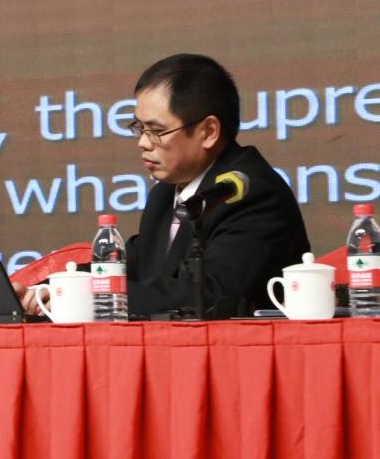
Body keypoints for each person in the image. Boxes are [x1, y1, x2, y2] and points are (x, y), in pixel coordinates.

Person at [20, 53, 310, 319]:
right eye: (140, 128)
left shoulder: (249, 192)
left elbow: (209, 295)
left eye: (156, 131)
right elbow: (129, 267)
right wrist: (49, 289)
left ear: (208, 131)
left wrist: (89, 295)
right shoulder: (166, 192)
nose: (143, 143)